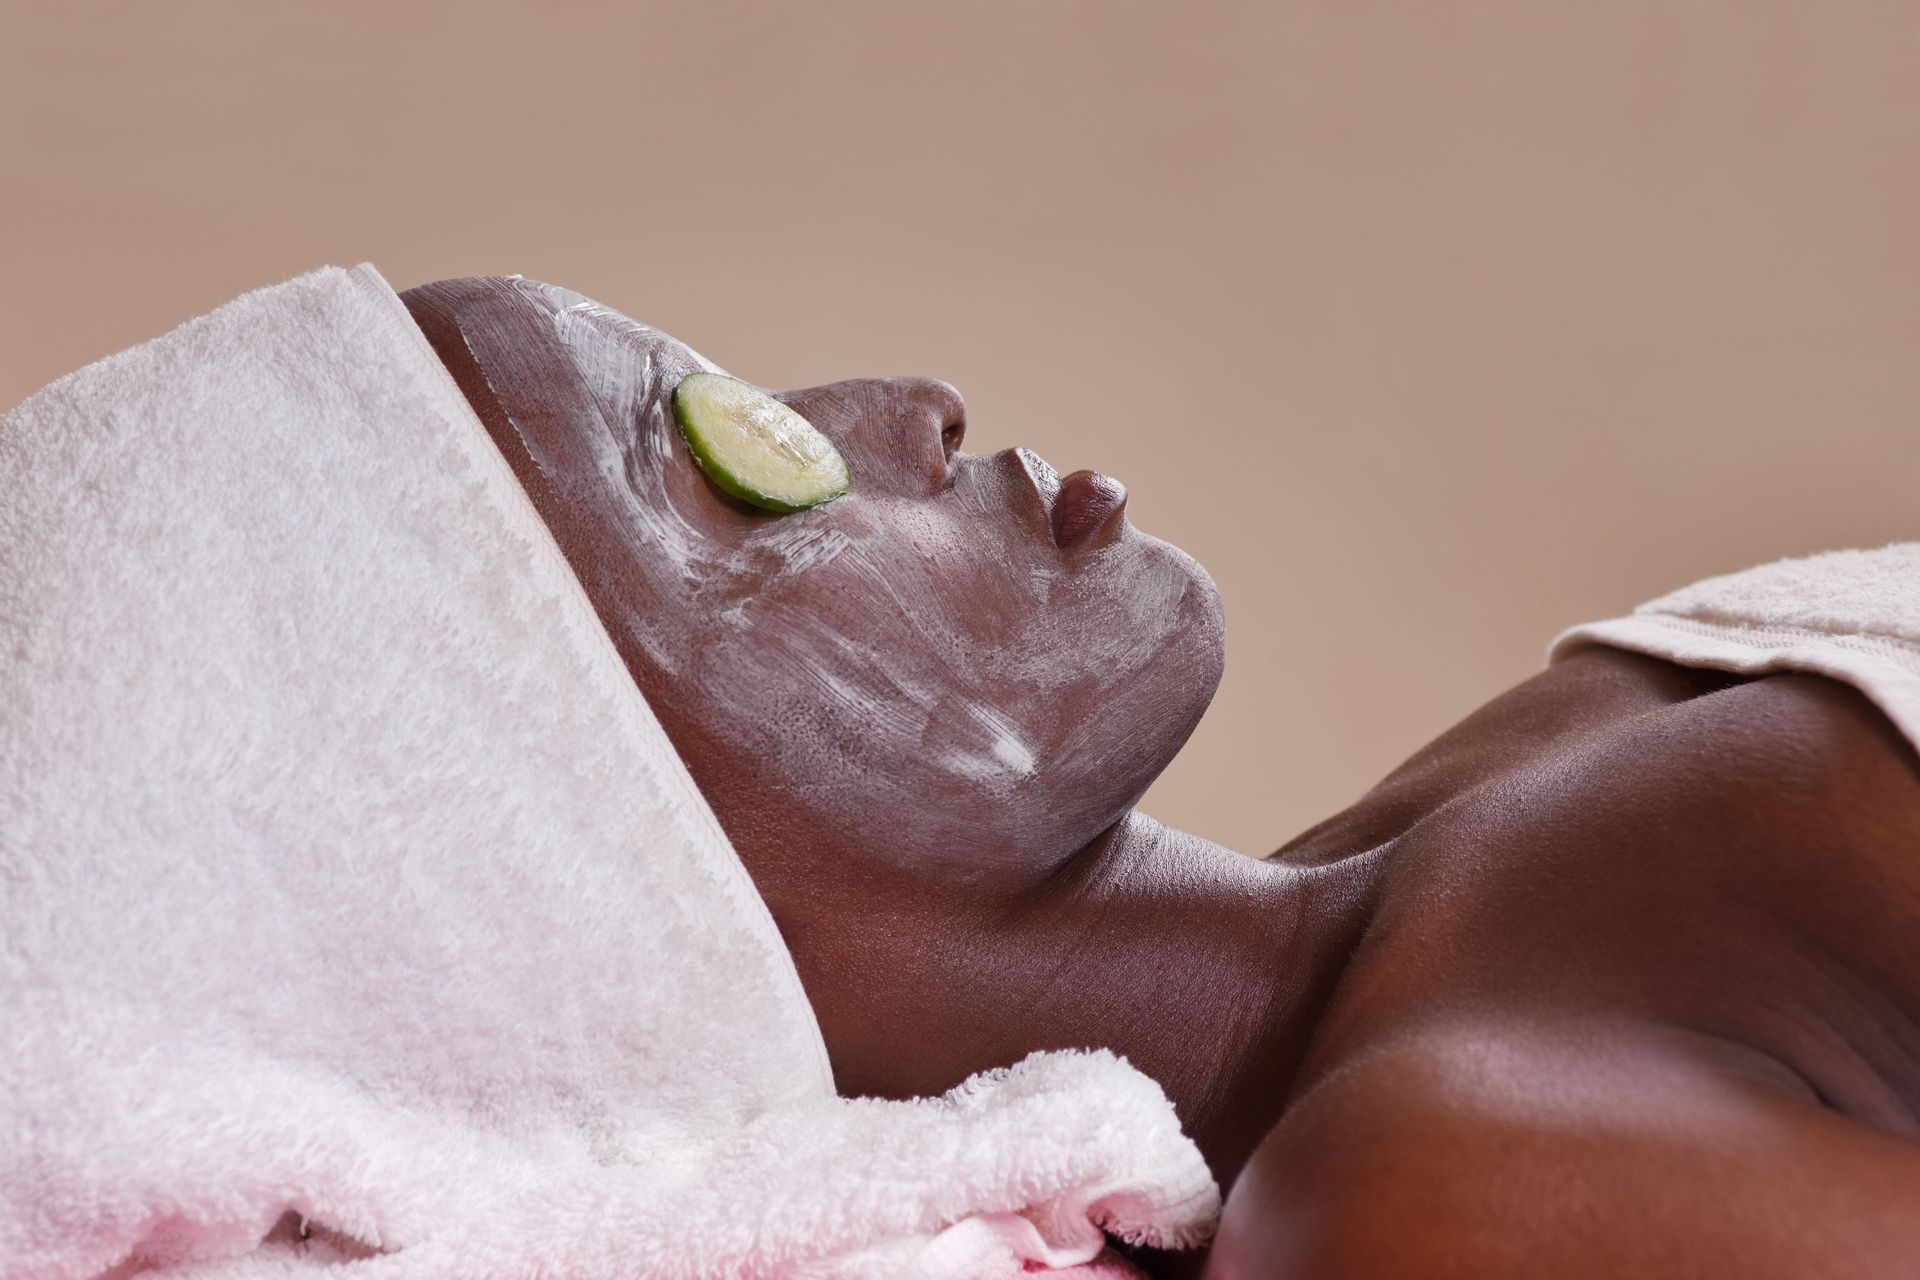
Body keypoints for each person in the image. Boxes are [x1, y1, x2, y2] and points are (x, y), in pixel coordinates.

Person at [402, 276, 1920, 1278]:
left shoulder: (1493, 787)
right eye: (736, 462)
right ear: (588, 854)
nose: (907, 408)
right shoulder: (1445, 1203)